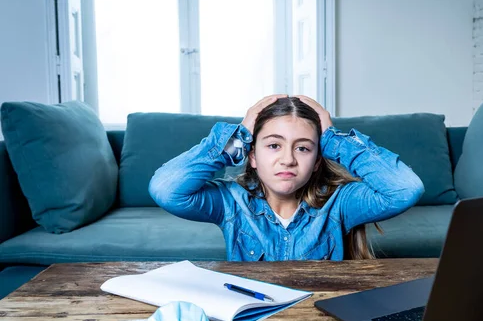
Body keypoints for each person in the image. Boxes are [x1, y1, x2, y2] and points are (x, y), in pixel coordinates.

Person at [149, 95, 424, 261]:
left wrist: (336, 141)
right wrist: (237, 137)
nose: (288, 159)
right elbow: (166, 189)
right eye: (273, 145)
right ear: (252, 156)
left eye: (303, 148)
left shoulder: (339, 204)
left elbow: (405, 189)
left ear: (317, 161)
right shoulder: (231, 203)